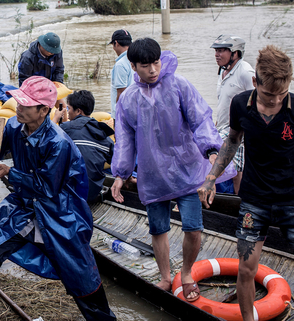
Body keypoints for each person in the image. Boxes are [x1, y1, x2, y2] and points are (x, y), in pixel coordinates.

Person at [0, 77, 116, 321]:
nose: (18, 107)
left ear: (44, 110)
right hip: (23, 205)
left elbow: (47, 187)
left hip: (59, 213)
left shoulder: (58, 142)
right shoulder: (12, 126)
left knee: (79, 273)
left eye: (25, 104)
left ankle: (103, 319)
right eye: (18, 102)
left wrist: (9, 172)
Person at [110, 38, 235, 301]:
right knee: (158, 228)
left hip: (187, 170)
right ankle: (166, 276)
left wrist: (212, 150)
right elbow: (124, 139)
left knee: (193, 226)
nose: (153, 70)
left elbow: (200, 118)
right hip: (152, 173)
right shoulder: (128, 100)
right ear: (133, 66)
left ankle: (187, 273)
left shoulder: (179, 85)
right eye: (145, 66)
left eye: (156, 62)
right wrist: (121, 174)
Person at [197, 46, 293, 321]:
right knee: (246, 269)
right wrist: (211, 177)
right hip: (254, 200)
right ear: (255, 83)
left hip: (291, 199)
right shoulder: (240, 103)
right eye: (268, 94)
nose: (275, 100)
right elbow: (232, 141)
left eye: (281, 94)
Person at [211, 35, 255, 194]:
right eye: (216, 50)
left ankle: (239, 201)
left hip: (238, 129)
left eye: (222, 50)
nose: (217, 54)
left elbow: (257, 100)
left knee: (236, 168)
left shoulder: (245, 72)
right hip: (223, 126)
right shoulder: (222, 71)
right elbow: (223, 100)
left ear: (235, 53)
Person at [53, 90, 114, 202]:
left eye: (69, 109)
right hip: (92, 193)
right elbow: (118, 164)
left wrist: (55, 119)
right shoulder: (104, 136)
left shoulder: (64, 129)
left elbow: (43, 141)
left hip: (71, 194)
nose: (68, 112)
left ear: (78, 111)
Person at [108, 29, 134, 118]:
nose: (113, 48)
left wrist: (118, 115)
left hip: (123, 113)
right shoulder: (136, 58)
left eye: (113, 45)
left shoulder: (120, 64)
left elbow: (121, 92)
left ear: (116, 43)